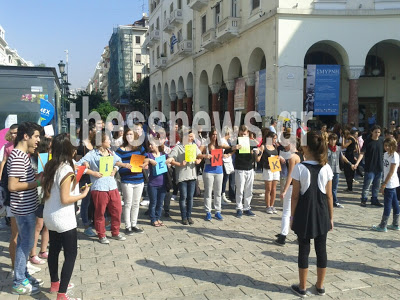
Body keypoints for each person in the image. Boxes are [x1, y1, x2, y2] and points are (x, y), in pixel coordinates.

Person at [42, 134, 90, 300]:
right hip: (63, 218)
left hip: (49, 215)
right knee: (70, 254)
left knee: (54, 249)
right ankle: (62, 294)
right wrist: (82, 194)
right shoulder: (66, 169)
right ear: (69, 149)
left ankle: (55, 283)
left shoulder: (50, 165)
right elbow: (65, 198)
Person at [290, 131, 333, 297]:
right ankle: (320, 286)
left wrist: (292, 217)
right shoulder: (326, 167)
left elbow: (295, 196)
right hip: (322, 212)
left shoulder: (300, 168)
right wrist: (331, 217)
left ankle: (302, 287)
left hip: (304, 213)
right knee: (321, 249)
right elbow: (329, 196)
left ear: (306, 147)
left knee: (304, 249)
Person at [8, 122, 43, 295]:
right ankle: (18, 281)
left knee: (25, 243)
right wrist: (37, 182)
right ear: (26, 136)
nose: (38, 140)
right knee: (25, 245)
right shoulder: (17, 156)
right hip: (23, 209)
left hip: (27, 207)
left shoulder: (23, 156)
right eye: (36, 136)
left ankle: (24, 274)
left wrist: (38, 177)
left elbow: (23, 180)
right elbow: (13, 185)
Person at [77, 130, 126, 244]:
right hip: (99, 187)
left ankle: (115, 232)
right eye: (108, 139)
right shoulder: (92, 154)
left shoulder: (111, 152)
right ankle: (101, 234)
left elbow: (118, 161)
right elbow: (78, 165)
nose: (110, 141)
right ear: (101, 142)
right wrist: (92, 172)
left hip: (112, 185)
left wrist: (116, 169)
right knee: (100, 212)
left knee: (117, 210)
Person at [115, 129, 145, 235]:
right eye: (127, 134)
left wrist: (144, 164)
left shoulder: (140, 148)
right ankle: (127, 226)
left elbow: (145, 159)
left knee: (136, 203)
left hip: (139, 178)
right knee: (128, 203)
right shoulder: (120, 150)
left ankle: (134, 224)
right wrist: (124, 165)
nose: (129, 136)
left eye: (131, 134)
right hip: (127, 180)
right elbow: (115, 161)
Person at [200, 127, 233, 221]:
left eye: (216, 134)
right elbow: (197, 153)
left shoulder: (220, 145)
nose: (214, 136)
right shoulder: (205, 145)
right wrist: (204, 156)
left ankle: (218, 211)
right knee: (208, 192)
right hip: (208, 170)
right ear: (210, 135)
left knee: (218, 192)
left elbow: (230, 148)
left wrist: (228, 154)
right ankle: (208, 211)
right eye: (213, 134)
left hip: (219, 170)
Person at [170, 129, 202, 225]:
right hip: (182, 176)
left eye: (192, 136)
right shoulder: (178, 147)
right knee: (183, 196)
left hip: (192, 175)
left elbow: (199, 155)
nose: (192, 138)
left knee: (190, 197)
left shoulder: (194, 146)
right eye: (190, 136)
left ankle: (189, 216)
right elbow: (171, 159)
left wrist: (199, 160)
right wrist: (179, 163)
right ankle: (183, 217)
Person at [275, 140, 303, 246]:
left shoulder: (292, 157)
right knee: (296, 212)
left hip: (292, 186)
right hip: (300, 185)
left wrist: (284, 190)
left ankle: (283, 236)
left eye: (286, 145)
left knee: (287, 211)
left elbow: (290, 175)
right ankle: (298, 235)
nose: (285, 147)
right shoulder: (301, 155)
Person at [29, 137, 52, 265]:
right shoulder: (33, 160)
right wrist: (41, 174)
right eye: (49, 147)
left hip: (47, 193)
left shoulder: (49, 159)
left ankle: (43, 250)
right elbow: (32, 178)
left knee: (47, 225)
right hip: (38, 194)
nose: (51, 149)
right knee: (38, 225)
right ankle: (32, 253)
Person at [372, 137, 400, 232]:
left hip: (391, 183)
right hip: (388, 181)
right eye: (385, 145)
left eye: (389, 146)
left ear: (393, 146)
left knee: (388, 204)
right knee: (395, 202)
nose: (387, 147)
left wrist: (384, 184)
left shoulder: (395, 156)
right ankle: (395, 224)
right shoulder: (385, 154)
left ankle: (383, 225)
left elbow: (391, 172)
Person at [353, 125, 384, 207]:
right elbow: (362, 153)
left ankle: (374, 199)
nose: (377, 134)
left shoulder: (382, 140)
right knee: (367, 185)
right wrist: (357, 163)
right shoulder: (367, 141)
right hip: (370, 167)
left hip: (379, 167)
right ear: (372, 132)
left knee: (377, 185)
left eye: (378, 132)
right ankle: (364, 199)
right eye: (375, 132)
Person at [143, 137, 171, 227]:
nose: (150, 146)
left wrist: (169, 160)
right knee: (153, 202)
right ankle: (153, 219)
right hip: (152, 183)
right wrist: (150, 160)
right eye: (149, 145)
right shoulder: (149, 155)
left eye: (152, 144)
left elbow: (171, 159)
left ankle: (158, 217)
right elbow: (144, 160)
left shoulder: (163, 155)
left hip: (163, 183)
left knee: (160, 202)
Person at [234, 125, 259, 218]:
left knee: (249, 189)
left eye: (244, 134)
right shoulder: (236, 142)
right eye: (241, 134)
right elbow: (232, 151)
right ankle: (239, 208)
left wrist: (256, 150)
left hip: (250, 168)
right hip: (240, 168)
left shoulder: (251, 142)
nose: (243, 136)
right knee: (240, 189)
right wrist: (235, 148)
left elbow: (257, 149)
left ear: (248, 133)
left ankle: (247, 207)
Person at [259, 131, 283, 214]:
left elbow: (277, 155)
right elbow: (259, 157)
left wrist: (279, 158)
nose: (275, 140)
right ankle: (268, 206)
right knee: (268, 189)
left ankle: (272, 205)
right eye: (274, 138)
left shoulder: (275, 146)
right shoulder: (264, 146)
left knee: (274, 188)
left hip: (275, 168)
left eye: (275, 139)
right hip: (267, 169)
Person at [327, 133, 351, 208]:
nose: (333, 141)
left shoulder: (338, 148)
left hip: (336, 170)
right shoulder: (325, 148)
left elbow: (342, 157)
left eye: (334, 140)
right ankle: (327, 201)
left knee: (334, 187)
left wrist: (350, 164)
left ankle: (335, 201)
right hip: (328, 170)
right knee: (327, 187)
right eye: (331, 140)